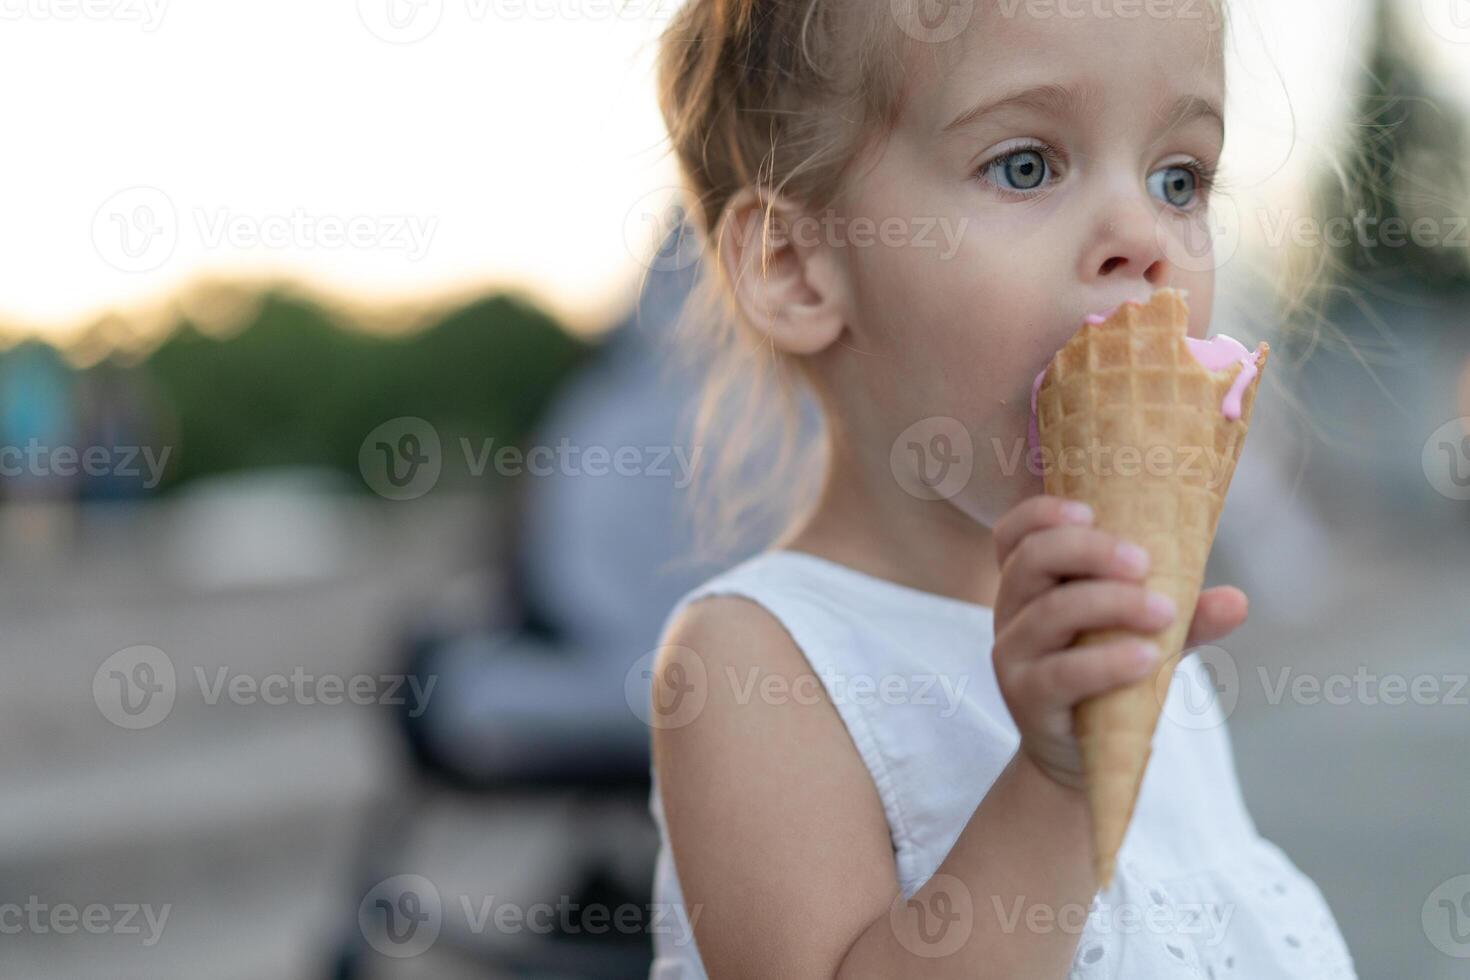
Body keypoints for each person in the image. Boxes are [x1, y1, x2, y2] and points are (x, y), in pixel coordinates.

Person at [644, 1, 1359, 977]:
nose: (1143, 236)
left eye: (1178, 178)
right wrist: (1059, 781)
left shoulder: (1139, 644)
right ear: (798, 267)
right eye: (1026, 164)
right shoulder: (753, 661)